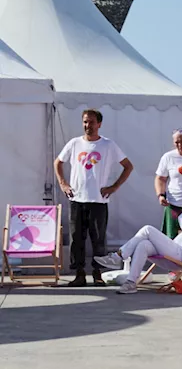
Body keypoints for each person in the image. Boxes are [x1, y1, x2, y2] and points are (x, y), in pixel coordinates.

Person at [54, 109, 133, 287]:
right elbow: (58, 162)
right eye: (85, 122)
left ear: (99, 124)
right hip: (77, 199)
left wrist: (114, 187)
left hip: (98, 200)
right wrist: (63, 183)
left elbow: (128, 166)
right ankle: (79, 273)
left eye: (91, 122)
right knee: (77, 238)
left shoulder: (108, 145)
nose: (87, 126)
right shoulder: (74, 143)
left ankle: (97, 273)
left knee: (98, 239)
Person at [94, 203, 182, 294]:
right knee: (143, 245)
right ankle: (131, 283)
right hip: (172, 254)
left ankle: (118, 256)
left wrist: (175, 245)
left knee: (147, 229)